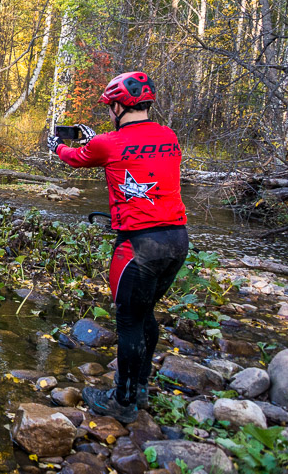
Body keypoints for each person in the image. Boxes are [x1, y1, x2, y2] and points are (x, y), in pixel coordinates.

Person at [48, 71, 189, 423]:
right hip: (177, 240)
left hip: (139, 245)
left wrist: (56, 146)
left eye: (109, 106)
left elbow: (76, 157)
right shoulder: (169, 136)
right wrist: (103, 140)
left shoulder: (109, 143)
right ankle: (139, 389)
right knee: (146, 315)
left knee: (128, 322)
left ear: (116, 105)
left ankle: (122, 403)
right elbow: (139, 155)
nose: (108, 111)